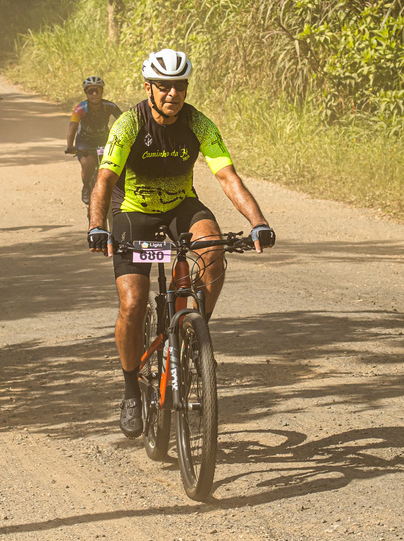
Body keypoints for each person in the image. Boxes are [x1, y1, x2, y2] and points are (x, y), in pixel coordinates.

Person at [87, 48, 275, 438]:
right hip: (133, 211)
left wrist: (258, 222)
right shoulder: (128, 124)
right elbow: (104, 180)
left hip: (180, 206)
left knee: (213, 247)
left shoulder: (198, 123)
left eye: (180, 86)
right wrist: (97, 227)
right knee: (133, 303)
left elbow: (228, 177)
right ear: (149, 88)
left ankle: (194, 334)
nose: (172, 93)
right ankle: (130, 390)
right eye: (163, 86)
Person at [66, 76, 122, 204]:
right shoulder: (80, 108)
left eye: (97, 90)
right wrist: (70, 146)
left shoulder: (110, 106)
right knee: (88, 165)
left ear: (102, 91)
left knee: (114, 166)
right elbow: (73, 127)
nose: (95, 94)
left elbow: (123, 121)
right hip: (85, 141)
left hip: (104, 140)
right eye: (91, 91)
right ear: (86, 93)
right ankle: (86, 186)